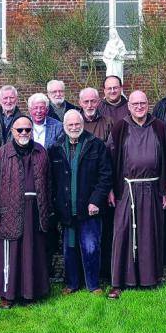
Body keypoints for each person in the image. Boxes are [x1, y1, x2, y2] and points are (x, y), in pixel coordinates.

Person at [107, 91, 166, 298]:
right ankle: (119, 281)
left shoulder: (159, 127)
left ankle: (150, 278)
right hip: (126, 188)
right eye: (135, 103)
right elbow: (110, 159)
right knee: (123, 233)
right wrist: (110, 188)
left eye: (143, 103)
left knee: (150, 233)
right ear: (129, 106)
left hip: (153, 189)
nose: (139, 107)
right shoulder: (120, 127)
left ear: (148, 104)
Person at [0, 116, 52, 309]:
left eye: (27, 130)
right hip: (9, 211)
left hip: (35, 210)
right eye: (19, 130)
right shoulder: (1, 154)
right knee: (10, 255)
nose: (24, 133)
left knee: (33, 252)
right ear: (12, 131)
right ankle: (8, 294)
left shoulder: (41, 152)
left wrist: (47, 212)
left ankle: (33, 291)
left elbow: (48, 184)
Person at [50, 110, 114, 295]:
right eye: (70, 125)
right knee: (69, 249)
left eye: (77, 124)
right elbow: (53, 181)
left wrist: (96, 201)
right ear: (64, 126)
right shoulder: (56, 147)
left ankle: (93, 285)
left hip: (90, 209)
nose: (74, 127)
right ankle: (72, 284)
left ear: (83, 124)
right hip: (67, 210)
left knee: (91, 247)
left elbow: (105, 176)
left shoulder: (96, 145)